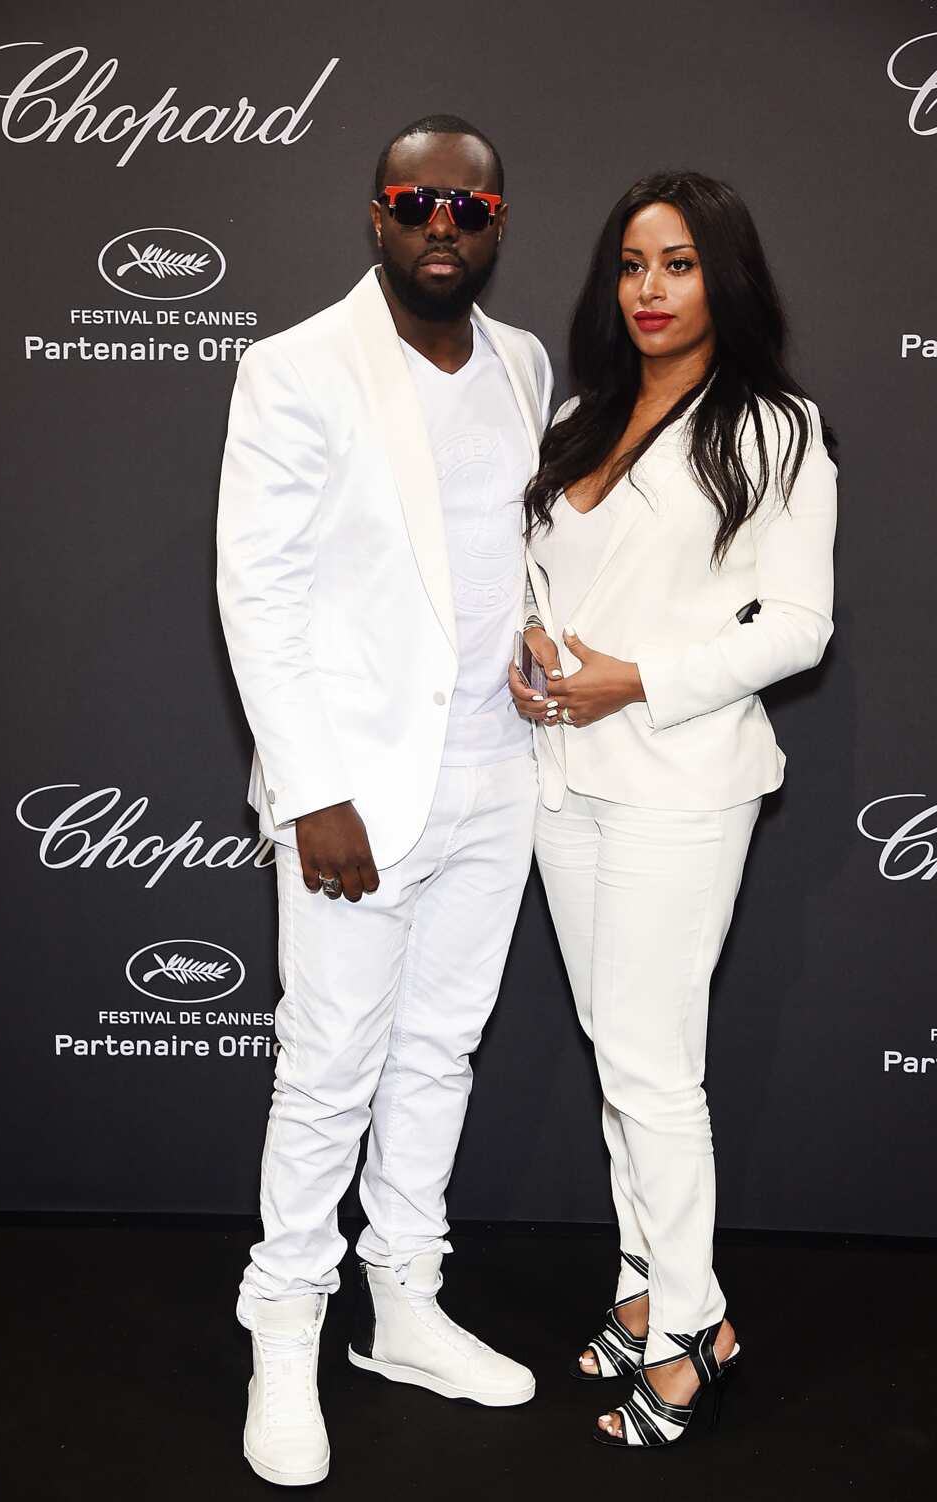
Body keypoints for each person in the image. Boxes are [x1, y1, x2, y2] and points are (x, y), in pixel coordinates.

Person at [216, 114, 553, 1486]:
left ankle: (401, 1302)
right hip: (356, 794)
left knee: (441, 1052)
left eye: (468, 209)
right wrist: (315, 790)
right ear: (375, 215)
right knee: (329, 1064)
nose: (441, 227)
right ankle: (285, 1326)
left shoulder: (525, 363)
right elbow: (260, 587)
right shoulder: (296, 366)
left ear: (496, 224)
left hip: (499, 777)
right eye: (417, 202)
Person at [510, 170, 837, 1448]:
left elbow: (799, 630)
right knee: (618, 1047)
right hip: (562, 781)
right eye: (633, 264)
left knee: (653, 1064)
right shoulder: (586, 414)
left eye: (679, 263)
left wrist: (633, 680)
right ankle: (642, 1280)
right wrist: (535, 639)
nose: (650, 288)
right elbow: (545, 570)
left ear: (725, 277)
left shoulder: (773, 427)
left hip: (680, 783)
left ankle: (696, 1321)